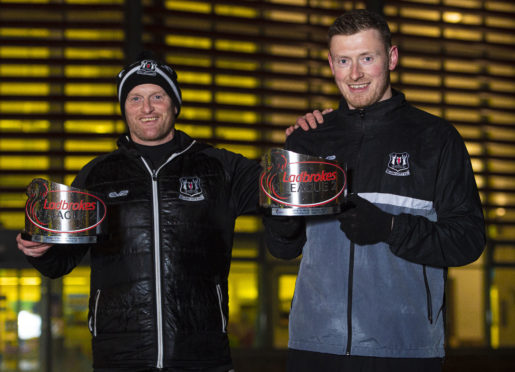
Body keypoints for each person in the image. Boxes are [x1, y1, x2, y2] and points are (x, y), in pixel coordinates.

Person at [263, 9, 485, 372]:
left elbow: (468, 239)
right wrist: (281, 220)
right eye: (344, 61)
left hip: (405, 348)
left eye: (367, 58)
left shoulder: (437, 138)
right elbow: (281, 248)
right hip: (315, 345)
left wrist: (391, 229)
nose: (355, 74)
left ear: (392, 58)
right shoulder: (309, 137)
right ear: (331, 64)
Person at [16, 51, 262, 372]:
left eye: (157, 96)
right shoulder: (97, 176)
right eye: (135, 99)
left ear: (174, 105)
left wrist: (313, 136)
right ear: (124, 109)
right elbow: (60, 261)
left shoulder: (220, 167)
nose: (146, 108)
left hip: (202, 356)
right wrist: (41, 250)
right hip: (119, 357)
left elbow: (286, 190)